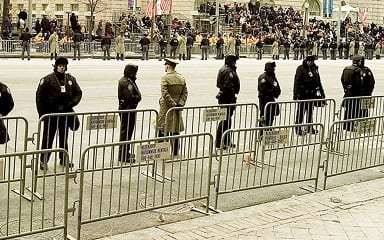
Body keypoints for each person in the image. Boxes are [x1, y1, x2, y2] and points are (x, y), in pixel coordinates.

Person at [36, 57, 82, 171]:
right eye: (60, 66)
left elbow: (78, 93)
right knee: (48, 138)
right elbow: (39, 98)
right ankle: (43, 160)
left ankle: (64, 158)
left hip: (64, 114)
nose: (62, 68)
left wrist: (71, 104)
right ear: (56, 66)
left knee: (64, 138)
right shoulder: (47, 79)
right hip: (51, 115)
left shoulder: (70, 79)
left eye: (64, 66)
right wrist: (42, 114)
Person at [157, 58, 188, 156]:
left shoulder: (165, 78)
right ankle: (175, 151)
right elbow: (185, 93)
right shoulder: (181, 78)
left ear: (168, 66)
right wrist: (180, 104)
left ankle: (161, 152)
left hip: (166, 108)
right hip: (177, 108)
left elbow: (165, 93)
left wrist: (172, 104)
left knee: (163, 128)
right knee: (175, 129)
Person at [293, 55, 325, 135]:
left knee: (310, 112)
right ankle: (298, 129)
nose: (310, 62)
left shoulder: (314, 68)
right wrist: (295, 94)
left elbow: (318, 81)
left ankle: (309, 127)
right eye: (309, 61)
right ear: (306, 60)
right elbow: (296, 82)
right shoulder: (301, 68)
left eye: (312, 61)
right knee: (301, 112)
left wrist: (322, 93)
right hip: (303, 94)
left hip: (312, 94)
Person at [341, 56, 375, 131]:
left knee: (353, 110)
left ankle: (349, 126)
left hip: (352, 94)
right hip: (359, 94)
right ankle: (353, 126)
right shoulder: (360, 70)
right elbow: (370, 82)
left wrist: (346, 89)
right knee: (357, 111)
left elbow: (343, 80)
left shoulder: (348, 69)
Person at [215, 55, 240, 149]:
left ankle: (226, 141)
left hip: (226, 97)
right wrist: (233, 91)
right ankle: (220, 142)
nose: (235, 63)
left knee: (227, 120)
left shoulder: (224, 69)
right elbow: (227, 85)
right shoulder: (228, 71)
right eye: (234, 61)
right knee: (225, 121)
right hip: (227, 98)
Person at [118, 64, 141, 162]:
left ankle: (125, 152)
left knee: (127, 133)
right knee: (126, 133)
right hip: (127, 110)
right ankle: (123, 155)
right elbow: (131, 97)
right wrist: (138, 98)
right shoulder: (126, 82)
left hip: (128, 109)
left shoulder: (128, 80)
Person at [258, 62, 281, 130]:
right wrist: (273, 91)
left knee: (271, 117)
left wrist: (276, 92)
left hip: (271, 100)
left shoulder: (272, 76)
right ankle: (262, 133)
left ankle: (269, 131)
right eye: (272, 67)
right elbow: (263, 89)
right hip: (264, 101)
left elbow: (277, 87)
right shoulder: (263, 77)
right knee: (264, 117)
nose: (274, 69)